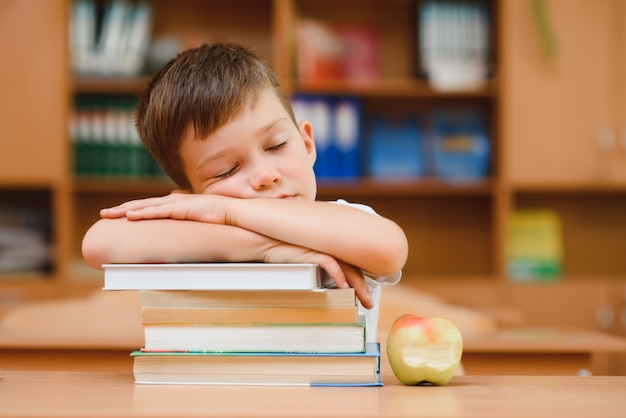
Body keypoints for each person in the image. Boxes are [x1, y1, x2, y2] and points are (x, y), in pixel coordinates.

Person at [81, 43, 408, 341]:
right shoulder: (198, 230)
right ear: (193, 198)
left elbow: (389, 247)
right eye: (226, 170)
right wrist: (268, 247)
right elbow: (98, 243)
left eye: (277, 145)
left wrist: (230, 211)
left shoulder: (342, 223)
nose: (265, 176)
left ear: (307, 143)